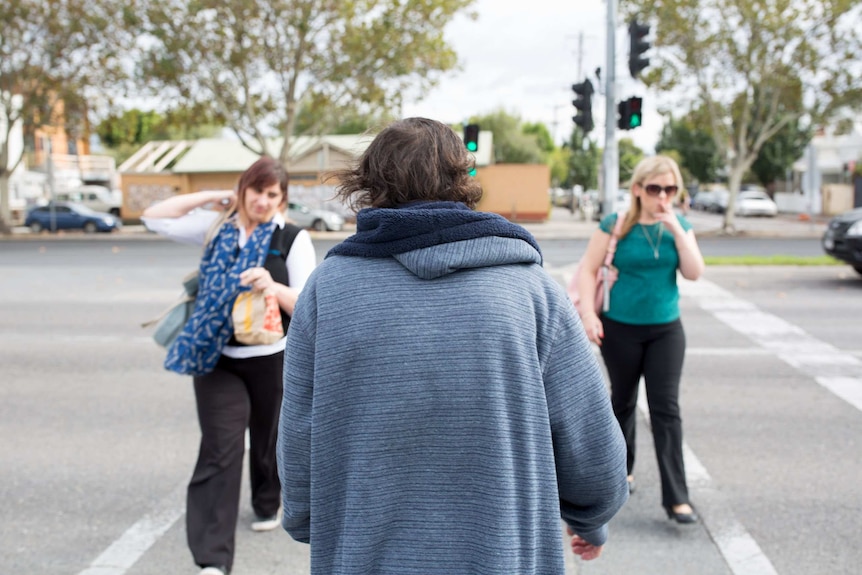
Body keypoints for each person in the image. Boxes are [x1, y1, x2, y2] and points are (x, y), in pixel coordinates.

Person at [276, 117, 628, 575]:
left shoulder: (328, 290)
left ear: (369, 185)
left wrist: (308, 517)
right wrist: (591, 517)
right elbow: (593, 446)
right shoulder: (530, 289)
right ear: (463, 180)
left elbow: (300, 434)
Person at [142, 156, 317, 575]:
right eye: (255, 190)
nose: (261, 200)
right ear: (243, 190)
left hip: (271, 358)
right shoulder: (217, 227)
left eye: (271, 194)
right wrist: (214, 197)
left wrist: (272, 285)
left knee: (268, 439)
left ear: (282, 199)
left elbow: (310, 306)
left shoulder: (291, 238)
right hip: (214, 356)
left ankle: (266, 499)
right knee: (219, 450)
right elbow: (153, 217)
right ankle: (212, 560)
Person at [576, 155, 705, 524]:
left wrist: (678, 231)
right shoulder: (615, 225)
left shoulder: (678, 226)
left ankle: (677, 498)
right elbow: (587, 268)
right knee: (623, 402)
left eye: (670, 189)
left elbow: (695, 273)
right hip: (620, 329)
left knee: (666, 410)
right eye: (654, 189)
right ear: (637, 190)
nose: (662, 196)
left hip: (666, 329)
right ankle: (622, 472)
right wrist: (588, 314)